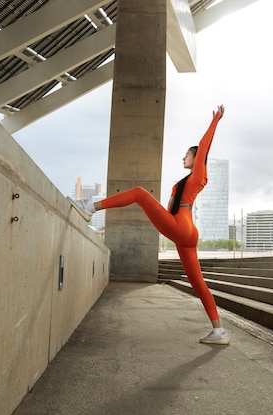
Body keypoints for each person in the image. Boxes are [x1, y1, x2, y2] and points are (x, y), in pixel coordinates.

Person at [69, 105, 229, 345]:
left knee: (138, 193)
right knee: (197, 283)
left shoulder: (198, 175)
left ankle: (89, 208)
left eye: (187, 154)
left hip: (181, 226)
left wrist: (215, 120)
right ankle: (219, 332)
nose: (183, 158)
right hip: (184, 231)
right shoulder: (185, 181)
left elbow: (204, 145)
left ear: (196, 158)